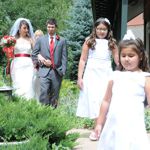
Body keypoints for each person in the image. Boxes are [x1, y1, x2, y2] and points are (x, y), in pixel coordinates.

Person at [95, 38, 150, 150]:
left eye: (131, 55)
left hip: (134, 124)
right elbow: (106, 100)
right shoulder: (115, 76)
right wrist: (99, 123)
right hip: (114, 123)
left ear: (140, 56)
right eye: (123, 55)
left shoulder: (144, 78)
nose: (127, 59)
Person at [76, 17, 119, 140]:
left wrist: (122, 73)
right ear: (95, 29)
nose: (101, 31)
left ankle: (102, 129)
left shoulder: (112, 43)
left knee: (104, 100)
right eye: (99, 29)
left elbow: (117, 60)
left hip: (105, 74)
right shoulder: (89, 41)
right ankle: (97, 129)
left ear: (108, 30)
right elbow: (83, 59)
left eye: (104, 29)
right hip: (91, 74)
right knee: (94, 100)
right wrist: (80, 77)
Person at [32, 18, 67, 108]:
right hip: (44, 71)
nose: (50, 29)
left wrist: (63, 71)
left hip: (57, 72)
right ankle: (44, 113)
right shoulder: (41, 40)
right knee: (44, 93)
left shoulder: (62, 41)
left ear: (56, 28)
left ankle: (53, 115)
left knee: (55, 95)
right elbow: (34, 55)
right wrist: (43, 61)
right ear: (46, 27)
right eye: (48, 27)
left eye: (52, 27)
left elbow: (64, 57)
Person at [10, 18, 35, 100]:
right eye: (24, 28)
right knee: (18, 84)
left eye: (27, 28)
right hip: (17, 65)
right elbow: (8, 51)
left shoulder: (31, 40)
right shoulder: (13, 40)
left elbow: (35, 53)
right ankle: (18, 102)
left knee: (28, 84)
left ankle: (29, 103)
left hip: (29, 65)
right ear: (19, 29)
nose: (27, 30)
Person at [33, 29, 44, 101]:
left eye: (39, 35)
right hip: (32, 68)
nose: (38, 37)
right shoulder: (32, 45)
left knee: (39, 86)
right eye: (36, 35)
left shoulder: (43, 47)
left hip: (40, 69)